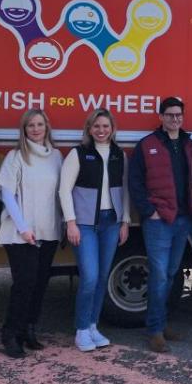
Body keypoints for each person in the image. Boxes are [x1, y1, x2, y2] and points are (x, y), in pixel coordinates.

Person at [129, 97, 192, 353]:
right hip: (159, 221)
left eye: (178, 115)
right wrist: (149, 211)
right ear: (160, 117)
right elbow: (135, 182)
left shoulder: (189, 144)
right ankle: (155, 331)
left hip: (183, 220)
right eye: (169, 115)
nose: (174, 119)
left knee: (170, 275)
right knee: (158, 276)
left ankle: (162, 323)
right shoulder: (148, 145)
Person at [59, 108, 131, 352]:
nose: (101, 131)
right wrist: (71, 222)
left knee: (102, 277)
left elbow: (125, 189)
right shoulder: (78, 154)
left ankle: (92, 325)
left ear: (113, 129)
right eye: (97, 126)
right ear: (89, 129)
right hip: (85, 224)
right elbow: (64, 190)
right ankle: (80, 329)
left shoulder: (119, 155)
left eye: (106, 126)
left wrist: (125, 221)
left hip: (111, 223)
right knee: (89, 277)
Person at [0, 109, 63, 358]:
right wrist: (23, 228)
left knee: (39, 284)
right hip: (21, 233)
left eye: (39, 124)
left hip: (48, 231)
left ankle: (28, 329)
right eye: (30, 126)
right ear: (23, 131)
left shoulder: (56, 156)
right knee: (24, 284)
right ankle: (10, 333)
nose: (35, 129)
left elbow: (60, 193)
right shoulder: (16, 156)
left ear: (47, 127)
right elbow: (7, 194)